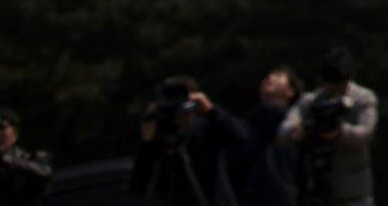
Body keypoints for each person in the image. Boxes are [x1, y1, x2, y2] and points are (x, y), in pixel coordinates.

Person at [279, 48, 377, 206]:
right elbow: (284, 129)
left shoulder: (363, 98)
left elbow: (365, 133)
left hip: (354, 194)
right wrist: (298, 132)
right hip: (318, 189)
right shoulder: (311, 101)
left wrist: (339, 132)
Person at [129, 76, 247, 205]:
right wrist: (148, 142)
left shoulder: (207, 129)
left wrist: (211, 111)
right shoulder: (161, 136)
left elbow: (240, 137)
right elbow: (139, 185)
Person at [232, 67, 304, 206]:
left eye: (278, 76)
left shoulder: (295, 124)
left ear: (290, 92)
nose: (269, 78)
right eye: (267, 77)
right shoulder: (249, 123)